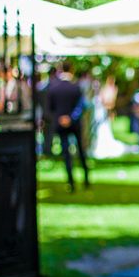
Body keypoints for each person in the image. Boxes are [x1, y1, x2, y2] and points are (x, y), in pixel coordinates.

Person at [48, 61, 89, 192]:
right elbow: (82, 105)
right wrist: (71, 118)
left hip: (61, 123)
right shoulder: (76, 86)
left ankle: (71, 182)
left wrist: (61, 118)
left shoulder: (53, 87)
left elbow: (50, 108)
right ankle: (86, 179)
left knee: (66, 152)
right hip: (74, 123)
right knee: (81, 150)